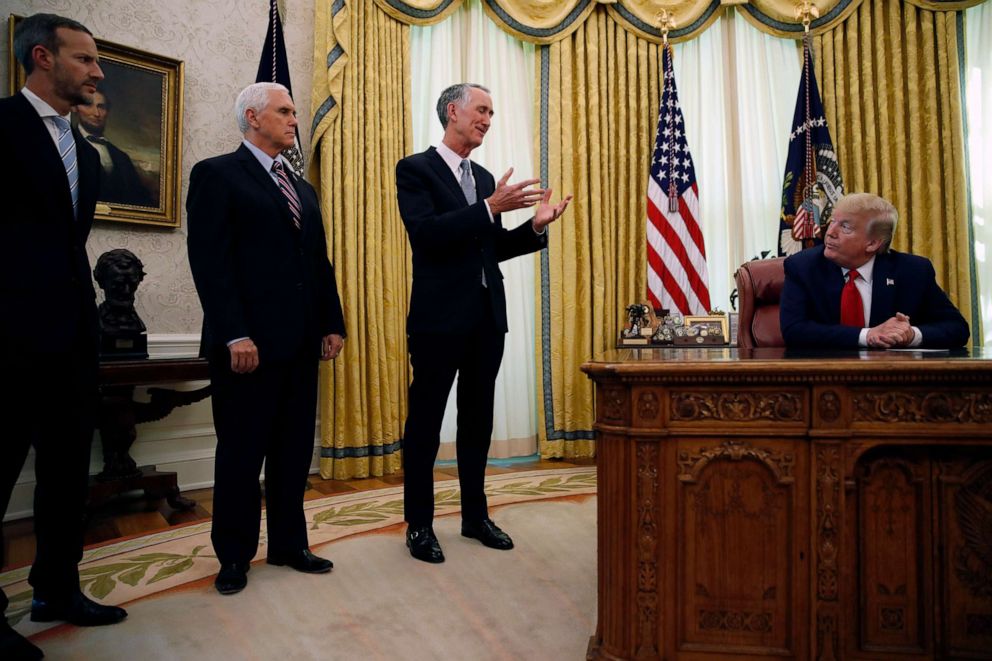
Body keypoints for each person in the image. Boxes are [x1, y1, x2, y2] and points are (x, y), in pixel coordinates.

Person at [396, 83, 572, 564]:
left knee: (478, 422)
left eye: (492, 113)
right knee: (427, 423)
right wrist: (489, 208)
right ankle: (420, 526)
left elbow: (490, 247)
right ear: (452, 112)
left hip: (486, 318)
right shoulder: (416, 169)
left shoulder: (486, 175)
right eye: (481, 110)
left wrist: (535, 226)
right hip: (437, 320)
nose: (488, 119)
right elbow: (427, 236)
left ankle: (475, 516)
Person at [0, 13, 127, 660]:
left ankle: (57, 586)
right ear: (43, 57)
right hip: (6, 341)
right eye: (86, 60)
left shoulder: (83, 149)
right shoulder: (0, 125)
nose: (98, 72)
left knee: (67, 474)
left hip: (74, 337)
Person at [187, 82, 346, 595]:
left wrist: (332, 322)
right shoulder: (216, 174)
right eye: (285, 111)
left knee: (293, 450)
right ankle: (233, 557)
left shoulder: (303, 188)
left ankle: (288, 545)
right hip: (246, 347)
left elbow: (317, 262)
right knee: (241, 452)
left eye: (294, 112)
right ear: (253, 117)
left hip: (300, 344)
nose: (294, 120)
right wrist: (235, 332)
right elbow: (211, 263)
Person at [780, 192, 969, 349]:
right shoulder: (803, 267)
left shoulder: (913, 271)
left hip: (889, 380)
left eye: (845, 227)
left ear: (872, 243)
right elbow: (794, 331)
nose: (830, 232)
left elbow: (957, 328)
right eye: (832, 221)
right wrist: (868, 335)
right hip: (824, 378)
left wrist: (911, 335)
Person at [75, 88, 155, 206]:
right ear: (76, 108)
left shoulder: (122, 158)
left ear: (107, 112)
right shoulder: (67, 147)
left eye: (101, 107)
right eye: (88, 105)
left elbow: (140, 200)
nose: (96, 113)